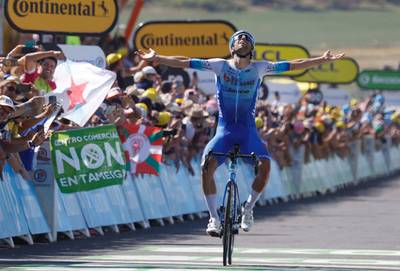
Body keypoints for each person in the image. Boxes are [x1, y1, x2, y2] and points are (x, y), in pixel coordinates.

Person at [136, 30, 344, 236]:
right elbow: (186, 61)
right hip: (224, 132)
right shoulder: (220, 65)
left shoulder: (260, 68)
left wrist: (321, 60)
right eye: (239, 38)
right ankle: (214, 218)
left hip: (248, 133)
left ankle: (248, 208)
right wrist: (158, 58)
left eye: (247, 38)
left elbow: (294, 64)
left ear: (251, 47)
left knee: (266, 166)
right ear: (232, 46)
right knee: (206, 166)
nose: (243, 40)